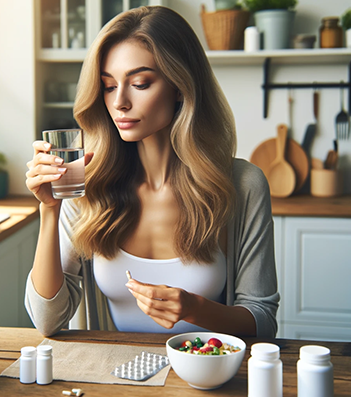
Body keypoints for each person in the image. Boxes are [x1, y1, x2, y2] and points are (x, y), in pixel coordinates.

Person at [25, 6, 279, 338]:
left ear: (180, 85)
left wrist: (195, 309)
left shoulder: (243, 186)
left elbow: (263, 322)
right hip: (114, 380)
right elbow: (46, 321)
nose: (120, 103)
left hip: (204, 380)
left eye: (140, 83)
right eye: (109, 86)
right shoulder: (87, 182)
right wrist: (49, 210)